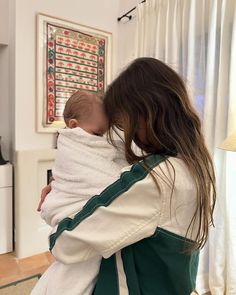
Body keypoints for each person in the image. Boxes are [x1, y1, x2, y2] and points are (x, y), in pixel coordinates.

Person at [40, 57, 216, 295]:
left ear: (143, 114)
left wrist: (53, 208)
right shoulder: (195, 163)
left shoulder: (156, 180)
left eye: (124, 121)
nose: (127, 134)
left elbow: (64, 244)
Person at [32, 90, 128, 295]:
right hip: (72, 212)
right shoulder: (71, 143)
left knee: (74, 272)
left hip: (97, 230)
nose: (103, 139)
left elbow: (113, 169)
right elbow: (85, 172)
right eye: (97, 134)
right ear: (74, 126)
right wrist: (56, 184)